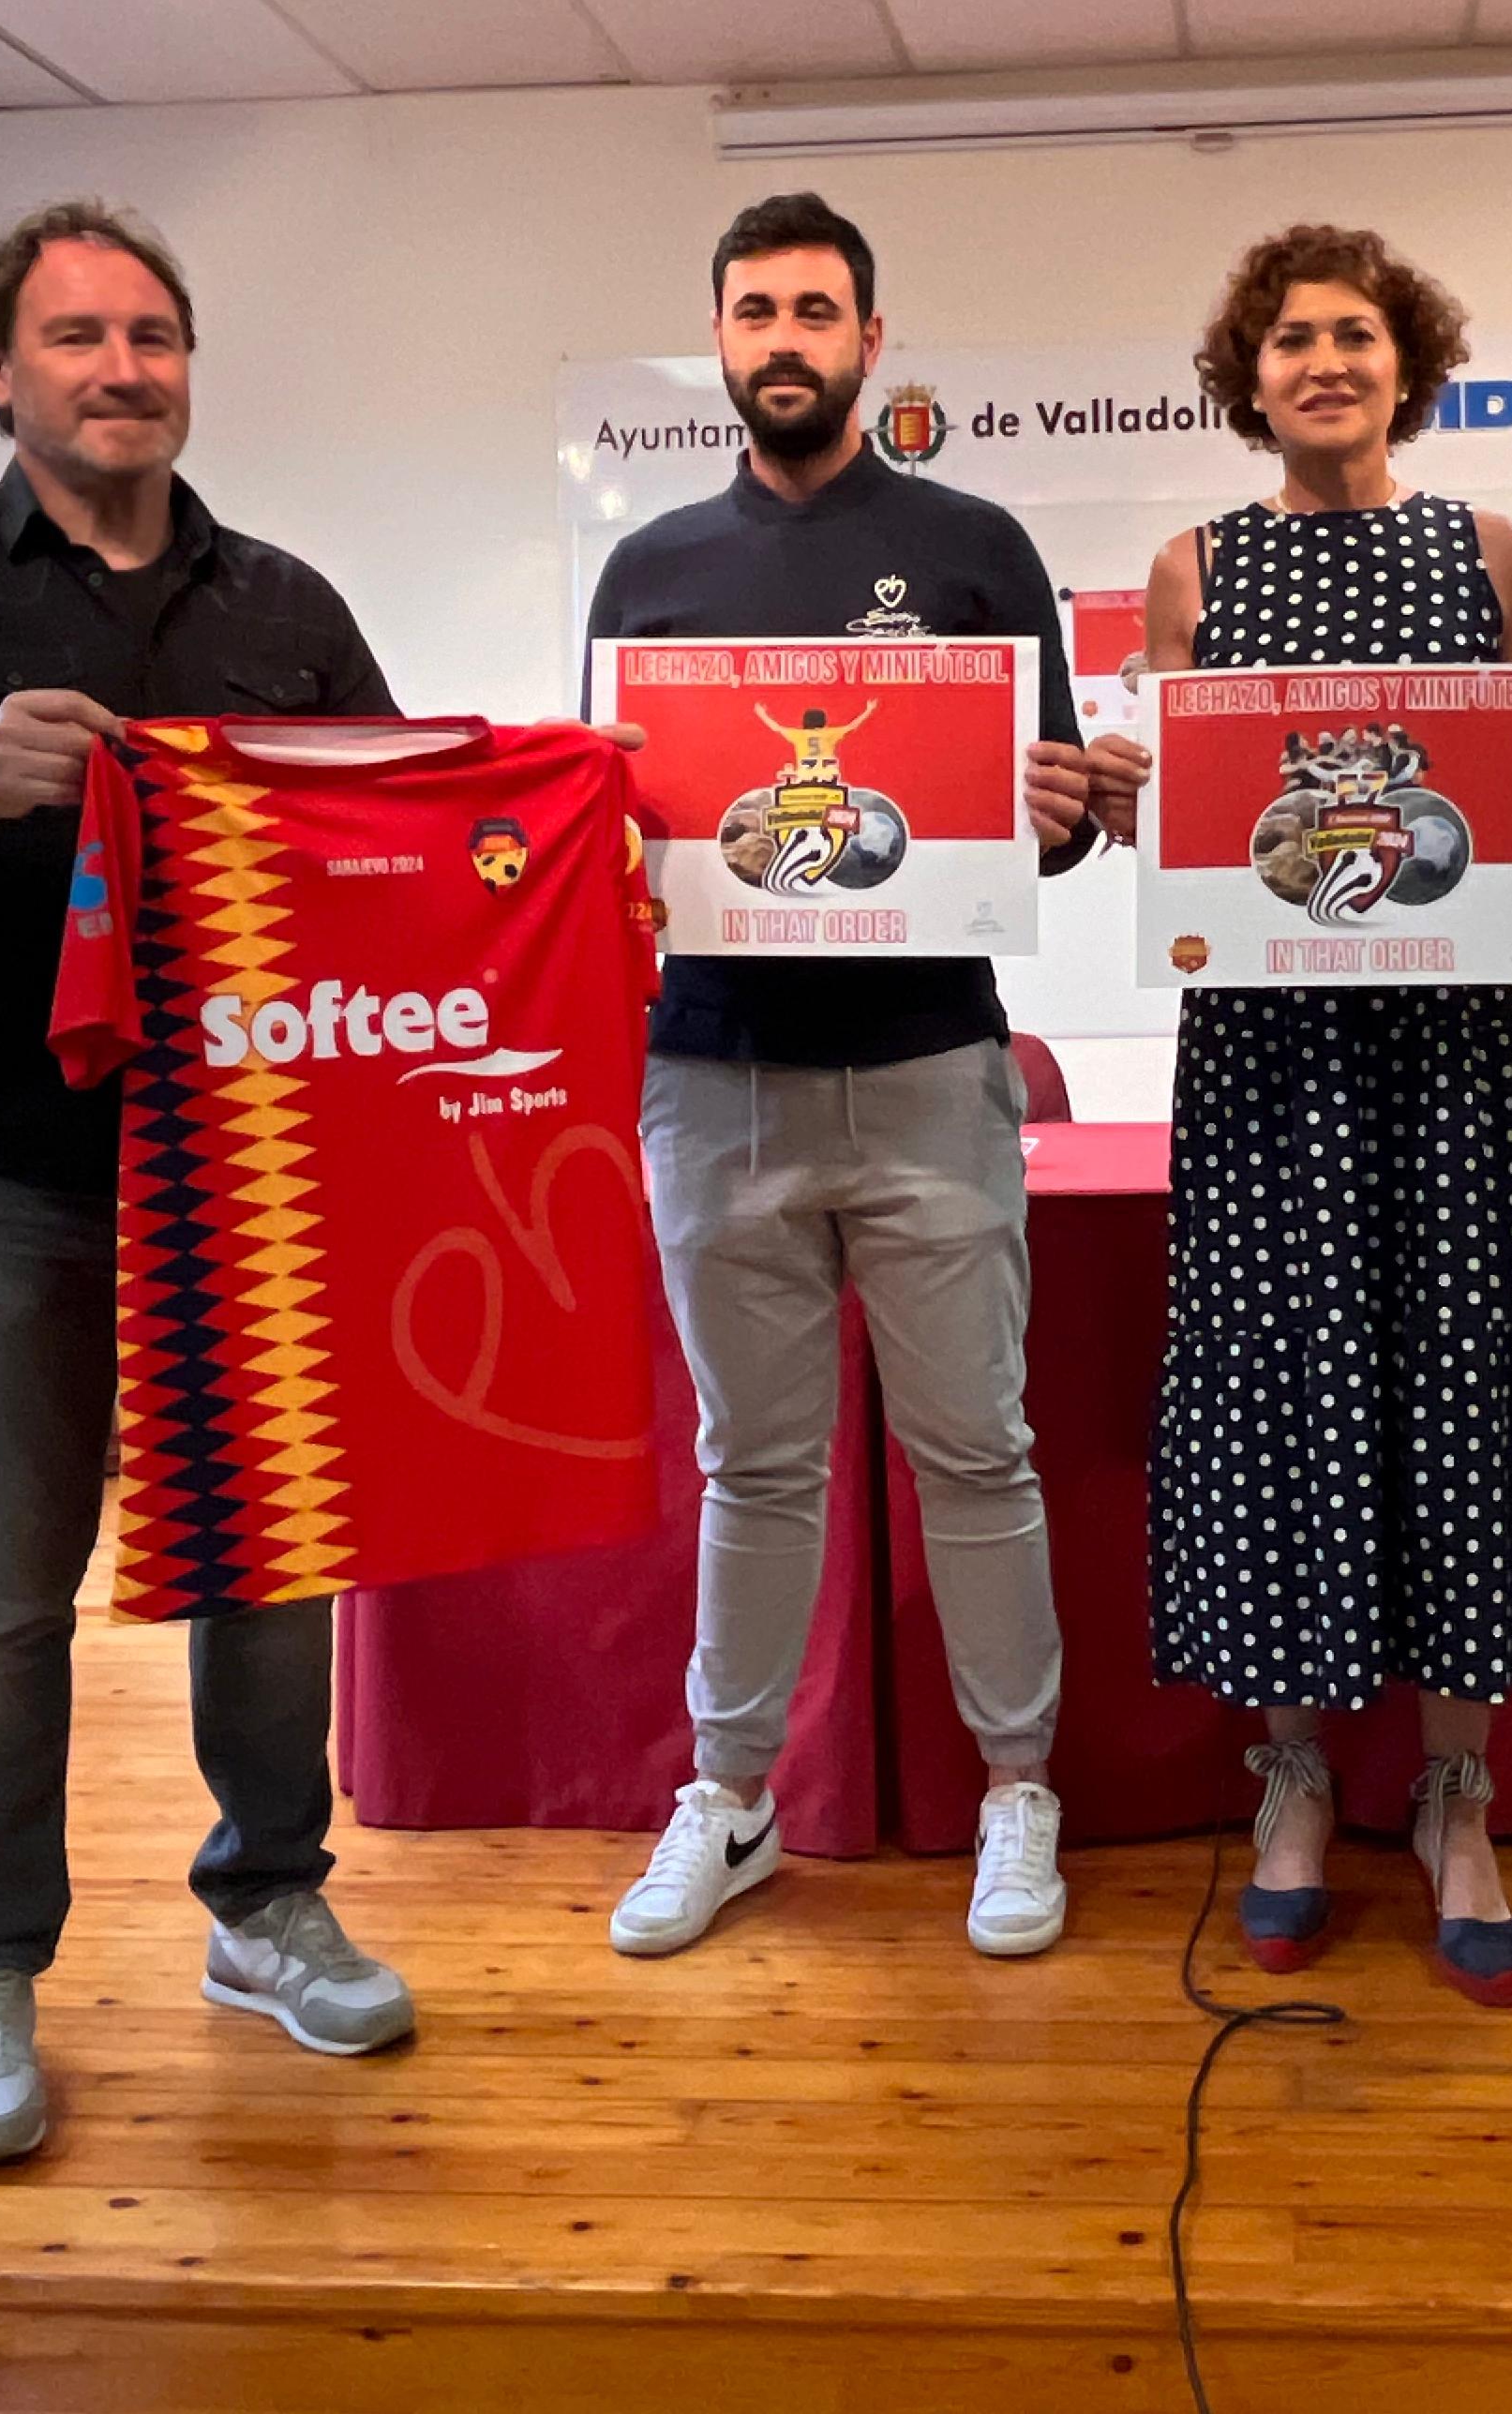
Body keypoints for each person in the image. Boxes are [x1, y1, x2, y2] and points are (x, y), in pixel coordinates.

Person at [0, 200, 416, 2174]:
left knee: (270, 1568)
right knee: (1, 1601)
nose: (124, 370)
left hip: (259, 1175)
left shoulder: (285, 603)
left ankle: (268, 1902)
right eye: (79, 337)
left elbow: (395, 835)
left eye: (152, 338)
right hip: (13, 1168)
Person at [585, 192, 1098, 1962]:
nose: (785, 339)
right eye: (757, 311)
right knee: (753, 1465)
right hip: (713, 1077)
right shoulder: (650, 572)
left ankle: (1017, 1789)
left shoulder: (972, 546)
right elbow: (622, 837)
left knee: (979, 1454)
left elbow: (1054, 831)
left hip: (931, 1068)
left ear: (872, 341)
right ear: (720, 341)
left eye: (816, 311)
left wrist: (1060, 811)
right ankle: (729, 1796)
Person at [1085, 225, 1512, 2009]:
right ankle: (1292, 1781)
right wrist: (1138, 803)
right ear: (1252, 377)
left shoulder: (1493, 549)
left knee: (1459, 1384)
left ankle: (1457, 1794)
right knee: (1279, 1388)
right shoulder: (1191, 568)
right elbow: (1189, 834)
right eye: (1291, 338)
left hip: (1454, 1056)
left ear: (1407, 363)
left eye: (1356, 334)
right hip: (1267, 1057)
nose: (1325, 362)